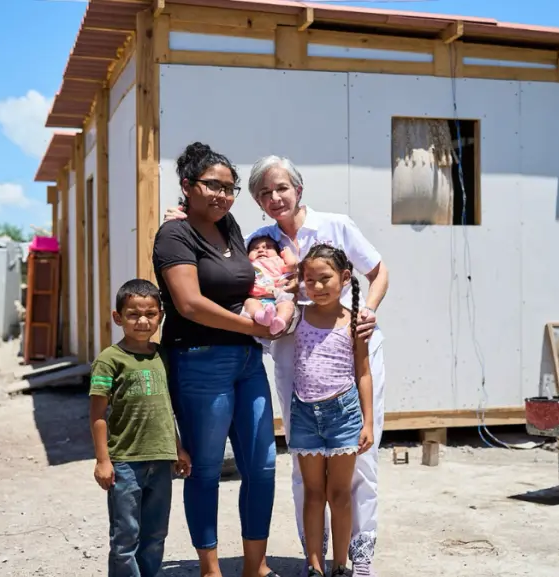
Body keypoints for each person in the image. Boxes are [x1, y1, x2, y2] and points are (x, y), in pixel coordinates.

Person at [164, 154, 390, 576]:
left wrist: (369, 309)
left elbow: (379, 272)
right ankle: (315, 559)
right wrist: (181, 216)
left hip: (349, 352)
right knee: (305, 472)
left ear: (298, 189)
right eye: (263, 193)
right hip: (296, 363)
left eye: (281, 188)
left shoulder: (335, 225)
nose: (274, 197)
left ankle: (357, 558)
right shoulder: (257, 239)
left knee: (359, 464)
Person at [152, 142, 282, 577]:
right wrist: (252, 327)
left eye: (230, 188)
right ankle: (210, 569)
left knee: (262, 465)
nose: (222, 196)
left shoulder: (229, 226)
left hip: (247, 363)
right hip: (199, 360)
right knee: (205, 469)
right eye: (213, 186)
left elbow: (246, 283)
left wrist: (270, 304)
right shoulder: (174, 234)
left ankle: (255, 565)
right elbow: (188, 303)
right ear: (187, 186)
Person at [89, 278, 192, 577]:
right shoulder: (110, 360)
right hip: (124, 463)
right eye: (133, 314)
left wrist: (178, 448)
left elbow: (166, 409)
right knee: (125, 537)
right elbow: (97, 412)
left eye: (150, 314)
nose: (143, 321)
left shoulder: (162, 356)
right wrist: (103, 460)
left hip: (161, 460)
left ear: (160, 315)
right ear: (118, 317)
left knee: (156, 534)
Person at [289, 244, 375, 577]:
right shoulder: (298, 315)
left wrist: (368, 422)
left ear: (345, 277)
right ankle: (314, 566)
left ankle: (341, 566)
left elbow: (363, 373)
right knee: (313, 493)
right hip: (304, 415)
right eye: (310, 280)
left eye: (325, 279)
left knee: (339, 493)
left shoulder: (355, 322)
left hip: (344, 415)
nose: (318, 287)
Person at [243, 233, 298, 335]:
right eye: (255, 248)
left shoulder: (278, 261)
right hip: (257, 299)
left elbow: (292, 265)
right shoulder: (248, 264)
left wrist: (287, 251)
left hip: (278, 298)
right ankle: (262, 316)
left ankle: (280, 321)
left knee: (288, 305)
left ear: (278, 253)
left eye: (268, 247)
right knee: (249, 303)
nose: (261, 250)